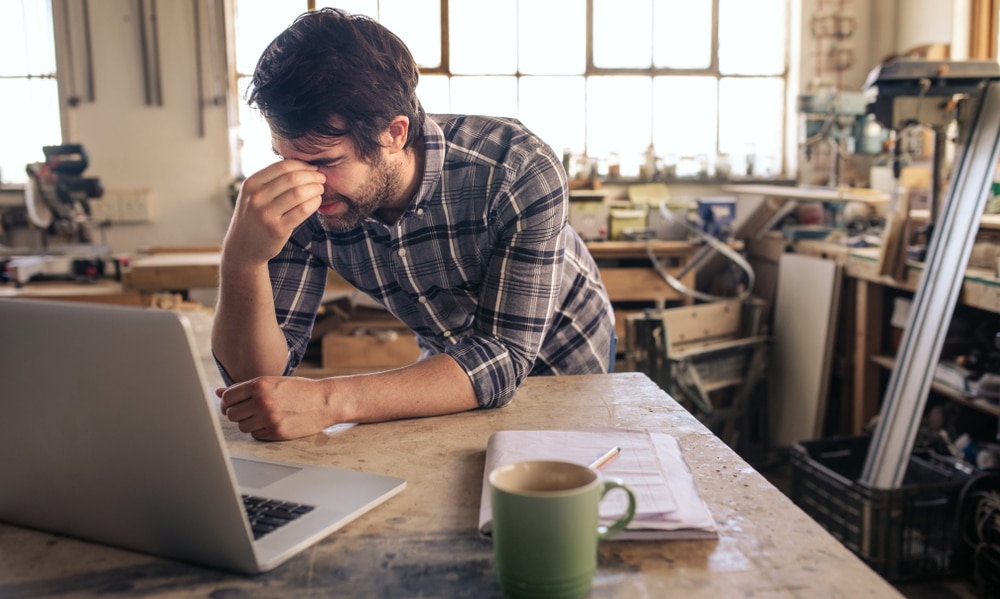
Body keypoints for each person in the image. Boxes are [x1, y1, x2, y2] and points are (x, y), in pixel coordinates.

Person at [211, 8, 614, 441]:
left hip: (567, 356)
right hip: (451, 364)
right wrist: (241, 261)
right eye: (285, 157)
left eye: (325, 162)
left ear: (395, 134)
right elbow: (256, 379)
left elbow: (504, 356)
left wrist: (329, 400)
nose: (304, 183)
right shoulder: (303, 198)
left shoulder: (516, 168)